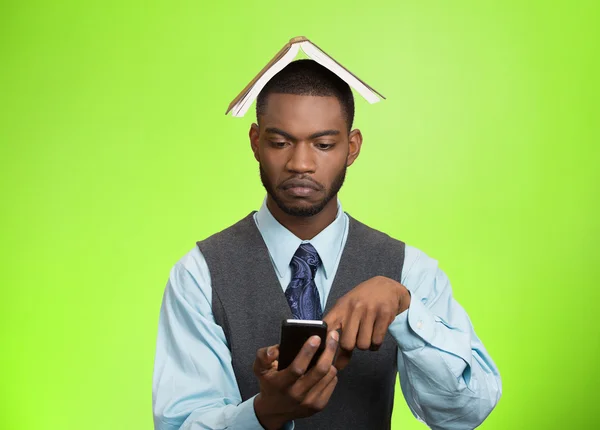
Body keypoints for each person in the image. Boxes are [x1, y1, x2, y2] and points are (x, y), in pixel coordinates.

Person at [152, 59, 502, 430]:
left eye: (322, 144)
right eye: (280, 142)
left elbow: (466, 414)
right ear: (256, 143)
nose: (300, 163)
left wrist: (406, 310)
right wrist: (265, 412)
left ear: (351, 147)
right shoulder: (200, 274)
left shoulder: (408, 271)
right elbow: (181, 424)